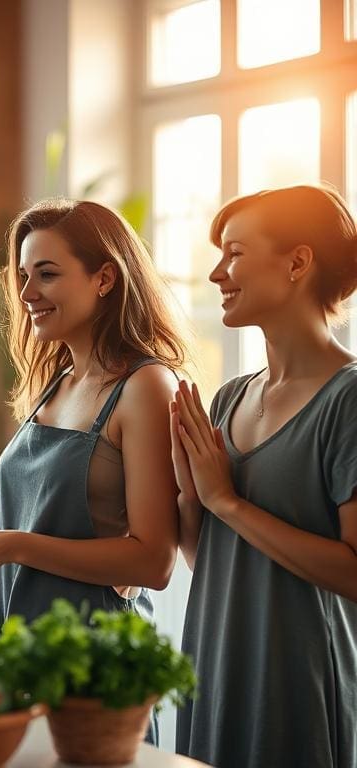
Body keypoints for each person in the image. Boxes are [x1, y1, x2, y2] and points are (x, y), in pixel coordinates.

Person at [0, 198, 186, 633]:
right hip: (14, 642)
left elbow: (154, 562)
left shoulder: (145, 387)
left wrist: (11, 546)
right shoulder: (56, 383)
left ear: (104, 278)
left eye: (47, 274)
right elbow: (44, 524)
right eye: (24, 277)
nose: (26, 294)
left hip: (89, 653)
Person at [172, 185, 357, 768]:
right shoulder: (229, 398)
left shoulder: (348, 399)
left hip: (299, 686)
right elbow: (212, 562)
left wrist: (226, 501)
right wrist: (189, 492)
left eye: (234, 253)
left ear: (298, 263)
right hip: (216, 668)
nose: (216, 274)